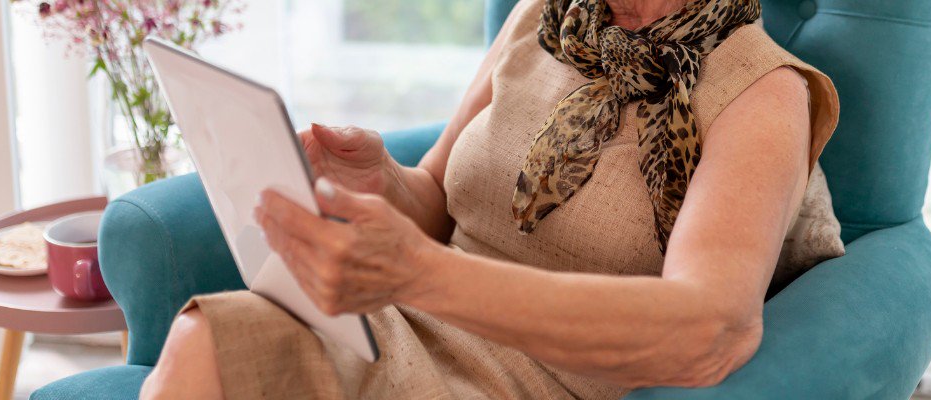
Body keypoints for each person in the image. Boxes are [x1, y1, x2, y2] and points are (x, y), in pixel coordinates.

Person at [141, 0, 844, 398]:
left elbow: (710, 329)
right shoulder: (546, 16)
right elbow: (435, 198)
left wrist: (421, 273)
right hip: (403, 326)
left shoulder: (763, 95)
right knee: (205, 338)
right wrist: (377, 176)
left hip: (536, 382)